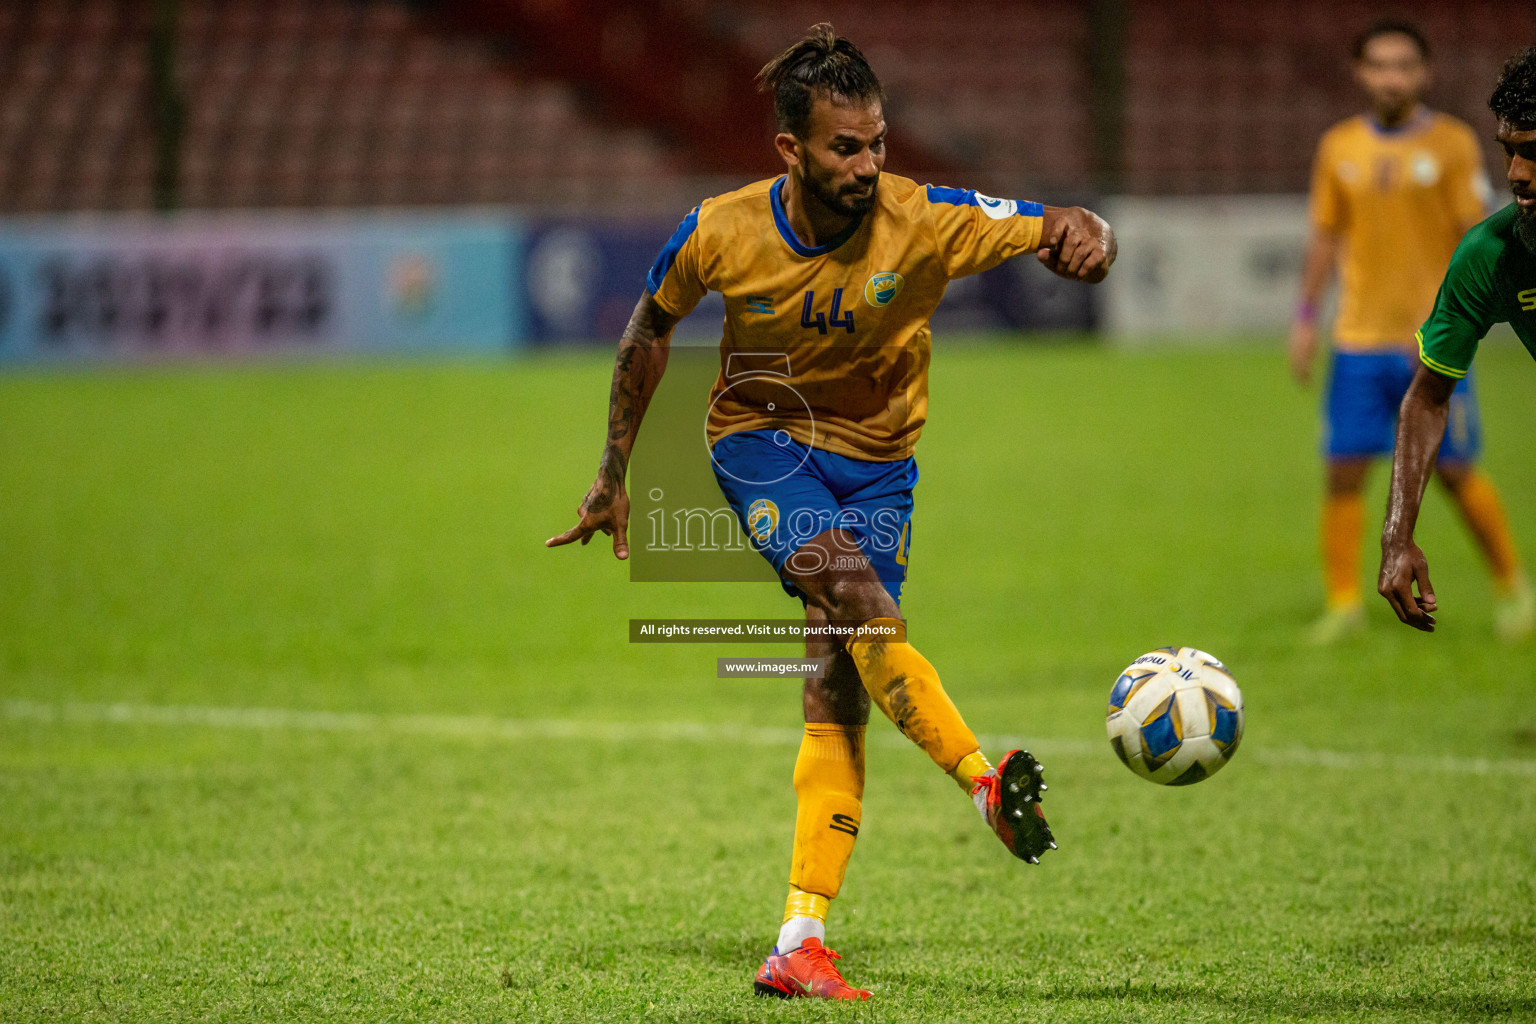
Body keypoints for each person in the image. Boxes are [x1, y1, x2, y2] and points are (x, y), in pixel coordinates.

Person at [546, 24, 1115, 1000]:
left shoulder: (925, 219)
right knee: (856, 602)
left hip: (884, 465)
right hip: (760, 445)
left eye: (878, 142)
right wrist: (614, 468)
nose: (868, 164)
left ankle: (800, 937)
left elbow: (1053, 219)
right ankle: (984, 778)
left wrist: (1085, 231)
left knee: (838, 678)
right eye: (846, 147)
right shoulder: (721, 230)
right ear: (792, 150)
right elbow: (650, 325)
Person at [1290, 20, 1532, 644]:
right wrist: (1306, 318)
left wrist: (1443, 323)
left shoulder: (1453, 145)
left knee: (1455, 471)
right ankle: (1343, 605)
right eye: (1379, 64)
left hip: (1427, 334)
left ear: (1424, 74)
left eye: (1403, 65)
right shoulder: (1338, 147)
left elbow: (1473, 231)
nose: (1391, 77)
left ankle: (1515, 590)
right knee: (1344, 467)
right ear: (1360, 73)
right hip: (1359, 338)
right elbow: (1324, 235)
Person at [1380, 46, 1536, 634]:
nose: (1516, 173)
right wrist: (1399, 535)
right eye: (1509, 151)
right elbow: (1427, 396)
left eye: (1534, 152)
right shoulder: (1491, 255)